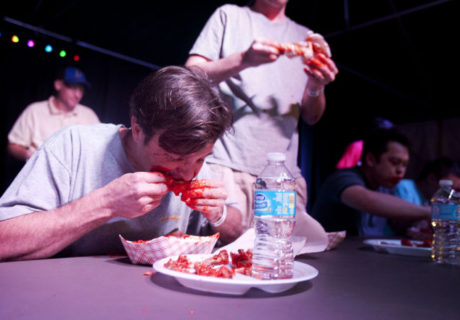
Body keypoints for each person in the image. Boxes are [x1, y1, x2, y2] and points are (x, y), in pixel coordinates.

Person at [0, 66, 242, 261]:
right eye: (175, 158)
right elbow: (4, 241)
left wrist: (218, 214)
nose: (189, 174)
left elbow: (236, 229)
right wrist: (106, 204)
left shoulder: (191, 163)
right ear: (137, 129)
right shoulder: (73, 145)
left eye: (201, 159)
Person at [185, 0, 338, 251]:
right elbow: (191, 74)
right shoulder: (230, 16)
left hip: (282, 179)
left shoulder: (305, 36)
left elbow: (312, 116)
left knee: (277, 262)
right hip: (226, 167)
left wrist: (316, 87)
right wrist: (244, 59)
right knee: (212, 257)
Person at [312, 127, 431, 237]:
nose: (400, 170)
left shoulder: (385, 186)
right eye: (394, 162)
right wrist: (428, 212)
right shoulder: (343, 178)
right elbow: (367, 200)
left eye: (404, 165)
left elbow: (396, 225)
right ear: (371, 159)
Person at [7, 66, 100, 162]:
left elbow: (99, 148)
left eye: (81, 90)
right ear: (58, 85)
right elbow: (13, 146)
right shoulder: (35, 110)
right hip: (40, 172)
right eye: (73, 88)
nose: (78, 95)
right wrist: (30, 155)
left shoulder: (89, 115)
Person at [383, 157, 460, 236]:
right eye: (448, 188)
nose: (450, 194)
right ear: (431, 178)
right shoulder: (403, 187)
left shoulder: (430, 197)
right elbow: (396, 222)